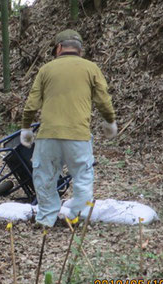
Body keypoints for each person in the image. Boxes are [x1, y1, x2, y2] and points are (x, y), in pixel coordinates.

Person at [20, 29, 117, 227]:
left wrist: (26, 127)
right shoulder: (91, 68)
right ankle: (76, 218)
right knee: (82, 177)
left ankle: (46, 219)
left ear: (59, 48)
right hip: (78, 135)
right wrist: (110, 120)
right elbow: (103, 100)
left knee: (45, 176)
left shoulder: (46, 69)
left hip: (49, 135)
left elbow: (31, 104)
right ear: (80, 51)